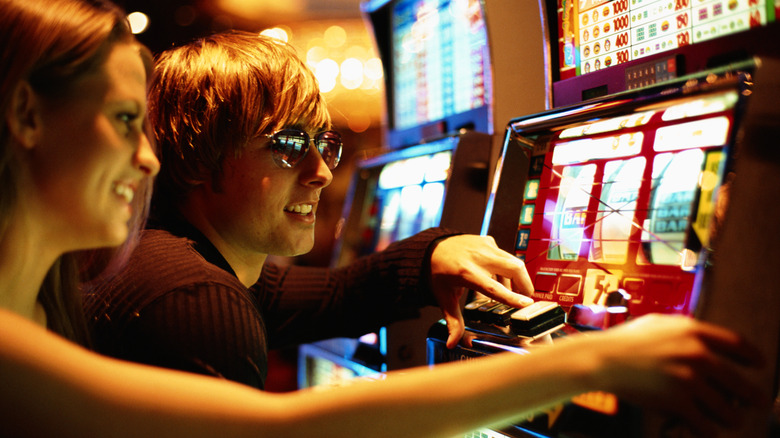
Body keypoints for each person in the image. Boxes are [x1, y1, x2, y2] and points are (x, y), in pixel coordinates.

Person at [0, 3, 768, 436]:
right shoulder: (181, 295)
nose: (147, 157)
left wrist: (438, 254)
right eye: (125, 119)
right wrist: (596, 360)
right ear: (27, 116)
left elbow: (325, 295)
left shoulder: (95, 284)